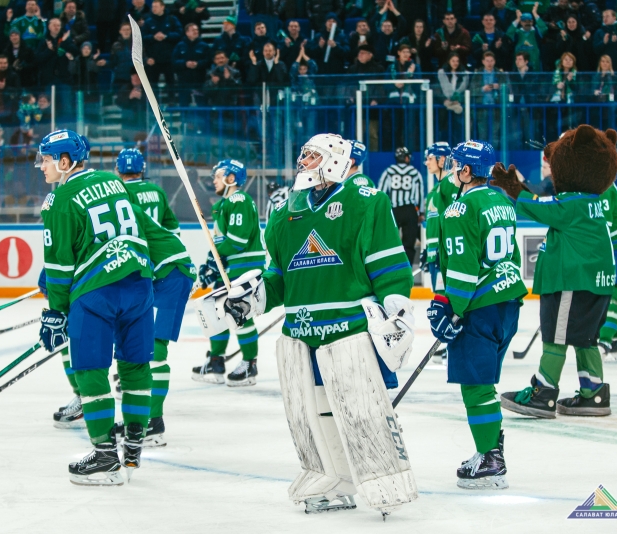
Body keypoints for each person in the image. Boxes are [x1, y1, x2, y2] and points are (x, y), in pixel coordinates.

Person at [214, 133, 416, 516]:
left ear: (336, 161)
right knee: (310, 414)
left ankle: (384, 476)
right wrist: (252, 297)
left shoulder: (363, 201)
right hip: (302, 333)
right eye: (303, 154)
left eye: (311, 155)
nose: (302, 161)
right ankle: (332, 477)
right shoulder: (285, 213)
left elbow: (388, 264)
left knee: (361, 411)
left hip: (350, 329)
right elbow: (278, 277)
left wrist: (397, 309)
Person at [37, 130, 157, 485]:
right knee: (135, 365)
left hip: (96, 293)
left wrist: (56, 313)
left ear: (64, 162)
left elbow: (59, 266)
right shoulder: (112, 181)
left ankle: (105, 456)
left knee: (90, 369)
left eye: (45, 159)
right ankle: (133, 445)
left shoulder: (59, 199)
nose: (41, 166)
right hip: (138, 284)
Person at [495, 125, 617, 420]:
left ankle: (544, 393)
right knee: (585, 339)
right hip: (597, 284)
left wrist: (513, 190)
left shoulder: (573, 203)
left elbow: (540, 208)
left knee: (555, 338)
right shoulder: (595, 203)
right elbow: (544, 204)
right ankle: (594, 393)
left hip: (570, 283)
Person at [428, 140, 526, 490]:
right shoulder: (504, 201)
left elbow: (463, 268)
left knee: (476, 384)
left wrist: (450, 307)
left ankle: (490, 458)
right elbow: (509, 256)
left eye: (457, 165)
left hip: (479, 306)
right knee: (485, 380)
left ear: (467, 171)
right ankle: (490, 446)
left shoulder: (459, 209)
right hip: (508, 303)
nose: (454, 169)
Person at [111, 148, 195, 445]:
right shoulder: (155, 191)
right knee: (141, 343)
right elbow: (172, 229)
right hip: (158, 270)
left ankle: (153, 423)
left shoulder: (118, 198)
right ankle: (144, 413)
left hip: (168, 273)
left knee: (155, 352)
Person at [192, 159, 265, 387]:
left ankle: (249, 365)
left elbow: (237, 240)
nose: (213, 181)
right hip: (231, 266)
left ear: (231, 178)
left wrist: (214, 257)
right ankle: (216, 361)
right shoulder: (223, 205)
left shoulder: (239, 199)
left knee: (239, 314)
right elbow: (223, 243)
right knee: (215, 312)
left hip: (244, 266)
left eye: (218, 176)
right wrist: (213, 263)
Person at [421, 141, 455, 365]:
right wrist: (428, 249)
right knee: (441, 300)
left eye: (430, 158)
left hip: (446, 257)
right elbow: (434, 224)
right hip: (436, 256)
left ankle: (452, 343)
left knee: (447, 301)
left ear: (442, 160)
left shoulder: (450, 188)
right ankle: (448, 343)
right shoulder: (434, 190)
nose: (426, 162)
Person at [595, 183, 617, 363]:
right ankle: (614, 341)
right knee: (601, 288)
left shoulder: (604, 187)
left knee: (612, 288)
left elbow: (605, 225)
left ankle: (606, 340)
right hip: (605, 242)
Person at [378, 147, 423, 267]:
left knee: (389, 241)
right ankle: (407, 268)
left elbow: (381, 192)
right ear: (406, 157)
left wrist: (382, 211)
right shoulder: (414, 172)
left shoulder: (389, 171)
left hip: (394, 210)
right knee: (409, 242)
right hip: (409, 210)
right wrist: (421, 212)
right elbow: (419, 194)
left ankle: (390, 268)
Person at [141, 0, 182, 92]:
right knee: (152, 83)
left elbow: (179, 34)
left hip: (169, 58)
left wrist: (166, 36)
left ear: (162, 7)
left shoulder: (172, 19)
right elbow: (142, 37)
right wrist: (153, 37)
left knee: (171, 82)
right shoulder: (148, 22)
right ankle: (152, 104)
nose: (153, 9)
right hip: (153, 59)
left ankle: (172, 101)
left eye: (156, 6)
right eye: (153, 7)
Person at [172, 23, 212, 107]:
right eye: (193, 30)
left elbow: (209, 61)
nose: (196, 31)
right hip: (184, 81)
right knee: (184, 103)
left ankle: (203, 120)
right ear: (187, 32)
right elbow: (174, 61)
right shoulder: (180, 46)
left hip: (200, 80)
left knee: (202, 103)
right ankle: (185, 120)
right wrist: (185, 64)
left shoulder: (204, 46)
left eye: (197, 30)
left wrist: (198, 64)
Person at [472, 52, 504, 144]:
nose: (489, 63)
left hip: (496, 108)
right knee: (482, 134)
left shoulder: (500, 74)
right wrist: (482, 89)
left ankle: (494, 156)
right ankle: (483, 156)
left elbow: (507, 88)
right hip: (482, 108)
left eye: (491, 61)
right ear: (483, 61)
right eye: (487, 61)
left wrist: (500, 87)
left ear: (494, 61)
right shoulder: (478, 74)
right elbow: (472, 90)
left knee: (495, 134)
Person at [506, 8, 547, 72]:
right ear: (521, 22)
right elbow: (509, 33)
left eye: (529, 21)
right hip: (519, 65)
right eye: (525, 21)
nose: (527, 23)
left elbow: (544, 28)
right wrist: (517, 19)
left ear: (532, 22)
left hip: (535, 64)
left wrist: (535, 13)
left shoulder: (537, 32)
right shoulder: (517, 32)